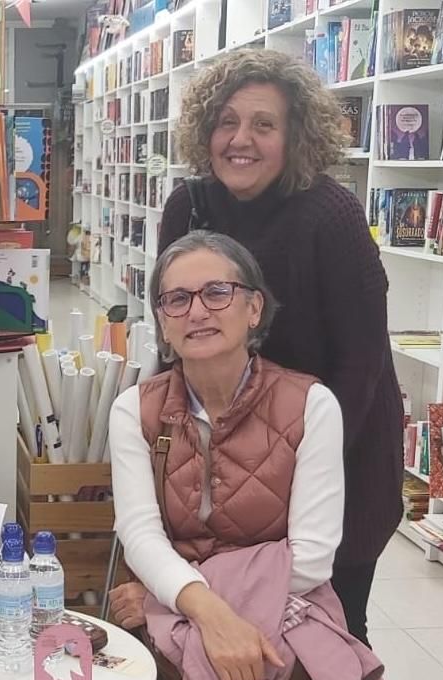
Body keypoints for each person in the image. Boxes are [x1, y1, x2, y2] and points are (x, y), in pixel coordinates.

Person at [156, 48, 403, 645]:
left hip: (338, 448)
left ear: (296, 136)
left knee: (328, 631)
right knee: (224, 617)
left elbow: (361, 361)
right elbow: (174, 335)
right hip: (223, 455)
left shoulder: (331, 214)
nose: (241, 140)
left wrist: (302, 467)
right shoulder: (186, 207)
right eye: (227, 122)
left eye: (264, 124)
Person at [108, 232, 358, 680]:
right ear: (162, 321)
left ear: (253, 308)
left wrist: (168, 601)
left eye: (217, 292)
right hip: (171, 651)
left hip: (279, 638)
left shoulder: (311, 405)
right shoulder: (135, 409)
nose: (197, 311)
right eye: (177, 299)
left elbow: (310, 560)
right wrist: (209, 615)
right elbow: (140, 535)